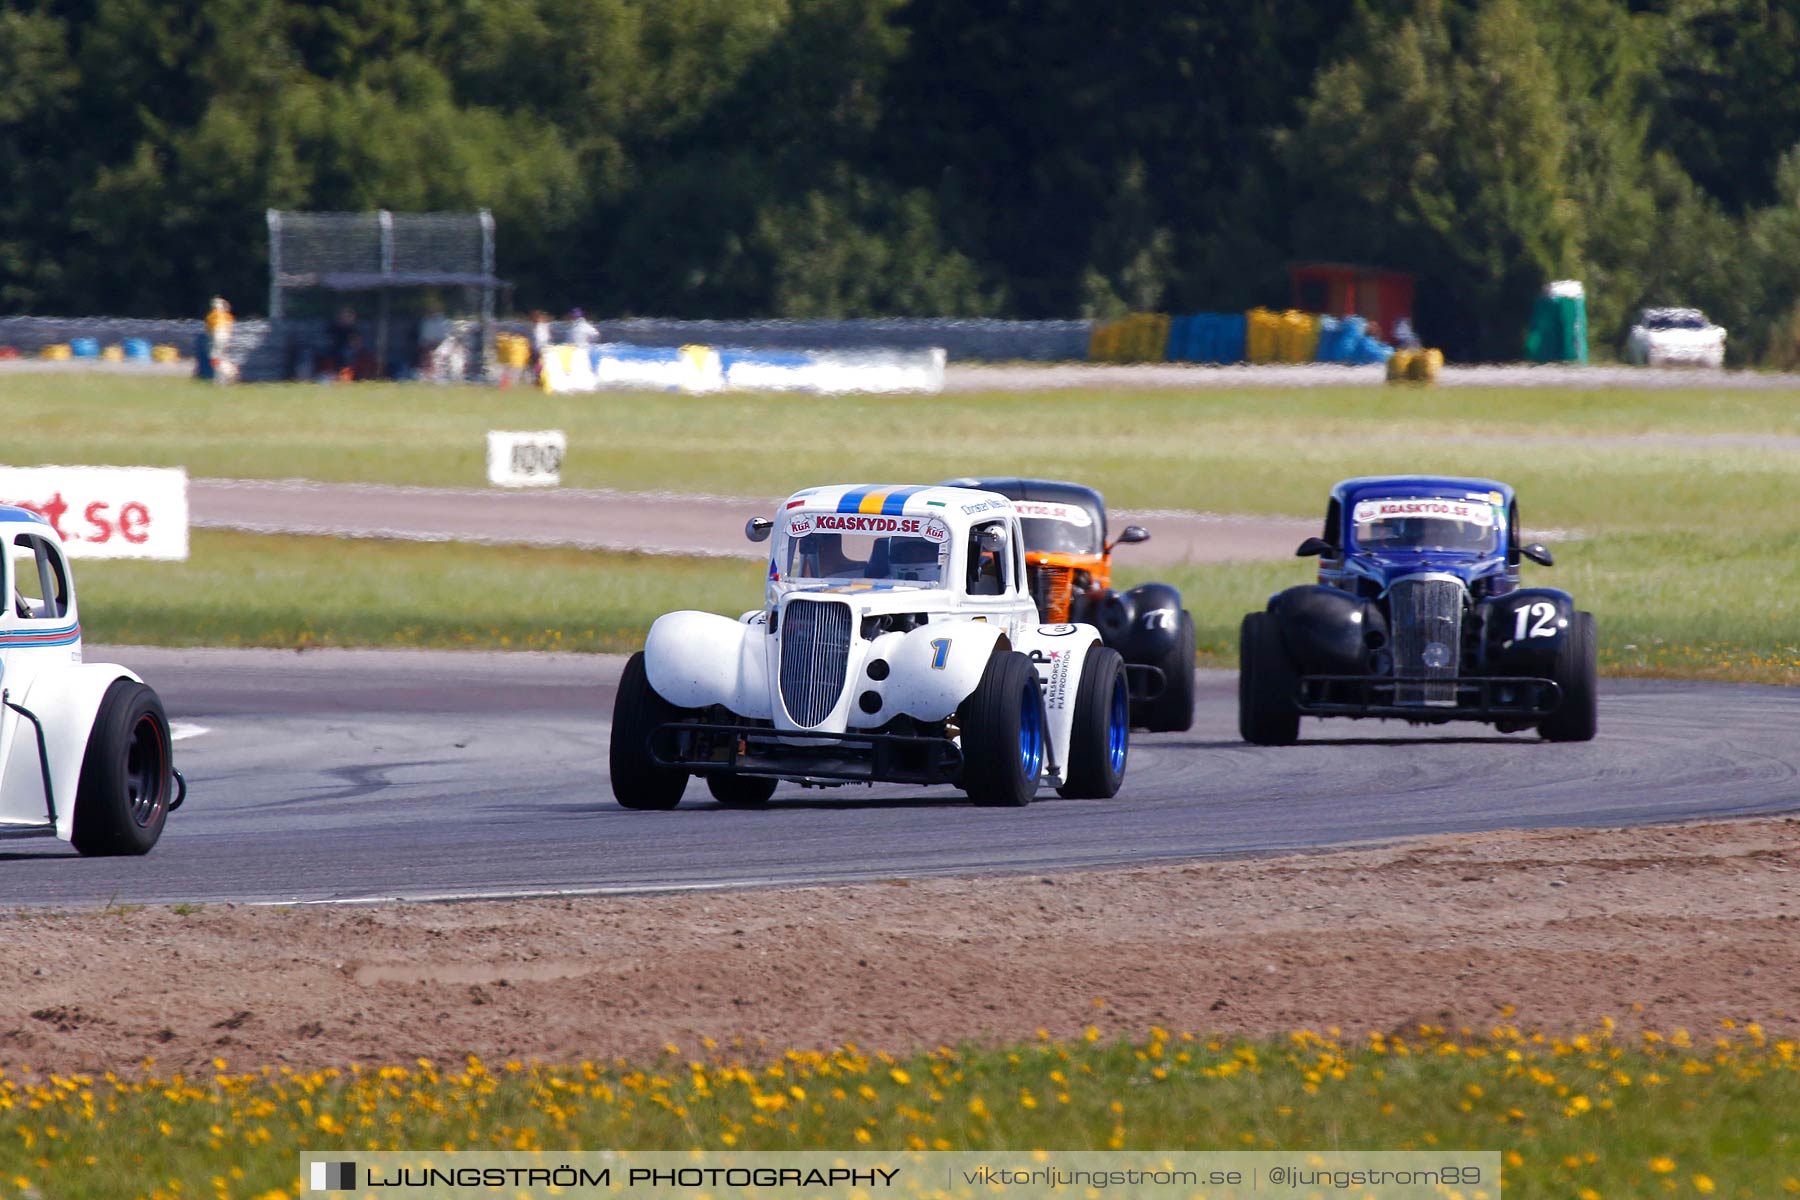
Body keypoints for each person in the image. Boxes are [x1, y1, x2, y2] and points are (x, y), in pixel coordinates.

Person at [204, 296, 235, 382]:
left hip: (218, 336)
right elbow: (230, 329)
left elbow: (207, 331)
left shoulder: (211, 316)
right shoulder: (228, 316)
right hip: (226, 337)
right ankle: (223, 376)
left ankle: (227, 373)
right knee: (222, 358)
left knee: (215, 358)